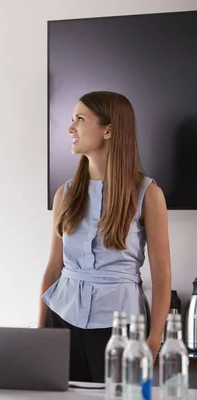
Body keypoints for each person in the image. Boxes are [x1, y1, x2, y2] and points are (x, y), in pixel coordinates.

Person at [38, 91, 171, 382]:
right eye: (72, 119)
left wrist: (153, 341)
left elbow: (162, 276)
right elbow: (53, 267)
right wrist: (39, 333)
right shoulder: (65, 194)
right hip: (63, 317)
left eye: (80, 119)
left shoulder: (148, 195)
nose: (71, 128)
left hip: (119, 326)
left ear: (108, 130)